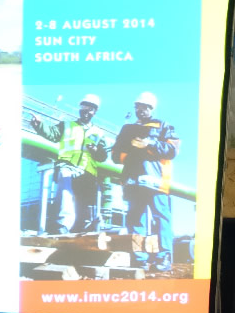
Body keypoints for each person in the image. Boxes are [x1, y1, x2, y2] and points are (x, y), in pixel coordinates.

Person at [111, 92, 179, 272]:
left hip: (155, 181)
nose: (141, 110)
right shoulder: (127, 129)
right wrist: (131, 151)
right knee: (135, 220)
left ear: (152, 108)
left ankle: (164, 258)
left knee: (161, 219)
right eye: (138, 107)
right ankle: (138, 259)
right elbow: (115, 155)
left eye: (145, 107)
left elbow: (172, 150)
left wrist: (149, 144)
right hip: (133, 182)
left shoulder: (163, 125)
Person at [30, 94, 108, 234]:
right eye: (83, 107)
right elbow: (52, 133)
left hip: (87, 172)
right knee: (66, 189)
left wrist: (96, 150)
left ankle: (82, 227)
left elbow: (102, 156)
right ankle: (63, 224)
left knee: (84, 204)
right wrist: (39, 125)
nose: (86, 110)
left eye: (90, 108)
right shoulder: (67, 125)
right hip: (67, 166)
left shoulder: (98, 133)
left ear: (94, 112)